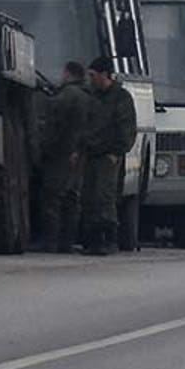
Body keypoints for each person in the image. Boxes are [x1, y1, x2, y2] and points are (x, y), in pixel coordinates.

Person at [77, 55, 139, 256]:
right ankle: (92, 240)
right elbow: (84, 125)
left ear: (104, 74)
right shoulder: (92, 97)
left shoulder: (120, 98)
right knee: (88, 196)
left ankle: (108, 238)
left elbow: (127, 128)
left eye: (93, 75)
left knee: (104, 197)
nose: (90, 79)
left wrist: (117, 151)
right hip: (91, 154)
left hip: (108, 156)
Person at [32, 60, 91, 252]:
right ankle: (67, 241)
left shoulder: (68, 95)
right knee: (72, 198)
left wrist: (44, 146)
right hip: (79, 152)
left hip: (62, 153)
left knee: (51, 196)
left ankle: (50, 241)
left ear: (68, 74)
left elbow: (52, 120)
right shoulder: (88, 95)